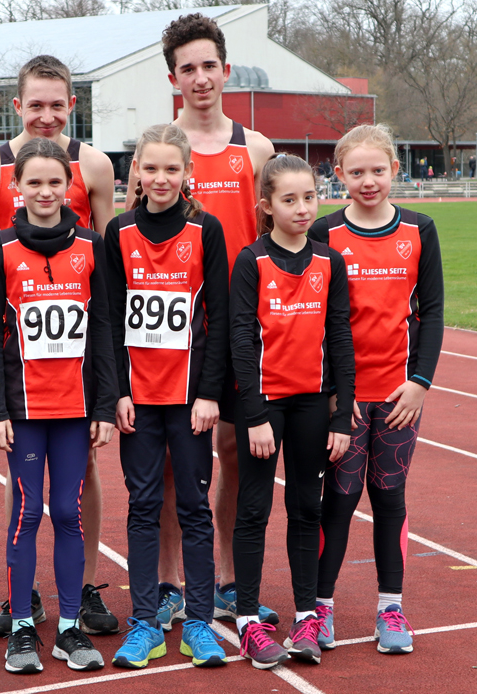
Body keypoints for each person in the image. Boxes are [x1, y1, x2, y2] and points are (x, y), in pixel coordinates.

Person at [125, 12, 276, 630]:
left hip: (237, 329)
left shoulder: (256, 148)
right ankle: (167, 582)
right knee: (166, 463)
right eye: (187, 68)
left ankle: (224, 579)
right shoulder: (159, 151)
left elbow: (277, 239)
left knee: (235, 452)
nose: (200, 77)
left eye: (209, 65)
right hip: (166, 334)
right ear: (173, 78)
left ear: (225, 70)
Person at [0, 54, 118, 636]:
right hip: (19, 347)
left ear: (72, 105)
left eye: (58, 104)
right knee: (24, 487)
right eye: (37, 104)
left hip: (78, 351)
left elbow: (109, 255)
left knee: (83, 479)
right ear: (18, 106)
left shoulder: (97, 166)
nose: (48, 115)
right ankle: (21, 591)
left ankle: (81, 586)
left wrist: (110, 377)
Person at [308, 124, 444, 655]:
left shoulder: (419, 229)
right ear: (338, 174)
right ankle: (321, 609)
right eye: (357, 171)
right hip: (343, 401)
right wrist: (330, 394)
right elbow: (315, 317)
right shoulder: (325, 232)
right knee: (337, 503)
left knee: (389, 500)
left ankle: (391, 609)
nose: (369, 181)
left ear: (394, 170)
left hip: (397, 399)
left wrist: (420, 383)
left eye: (378, 170)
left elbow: (431, 313)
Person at [108, 124, 229, 669]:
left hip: (189, 401)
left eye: (171, 169)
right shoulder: (118, 231)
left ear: (187, 174)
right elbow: (109, 318)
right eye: (150, 168)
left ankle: (199, 623)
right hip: (139, 397)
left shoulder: (207, 231)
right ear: (136, 171)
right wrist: (115, 392)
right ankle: (144, 622)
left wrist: (210, 393)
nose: (160, 178)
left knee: (194, 508)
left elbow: (221, 318)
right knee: (143, 507)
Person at [230, 154, 354, 669]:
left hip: (311, 405)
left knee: (306, 509)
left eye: (310, 197)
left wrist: (342, 415)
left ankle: (307, 616)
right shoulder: (251, 260)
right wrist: (254, 414)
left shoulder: (330, 261)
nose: (302, 208)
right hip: (265, 405)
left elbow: (340, 336)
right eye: (289, 199)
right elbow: (240, 336)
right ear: (266, 206)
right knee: (254, 510)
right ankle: (247, 624)